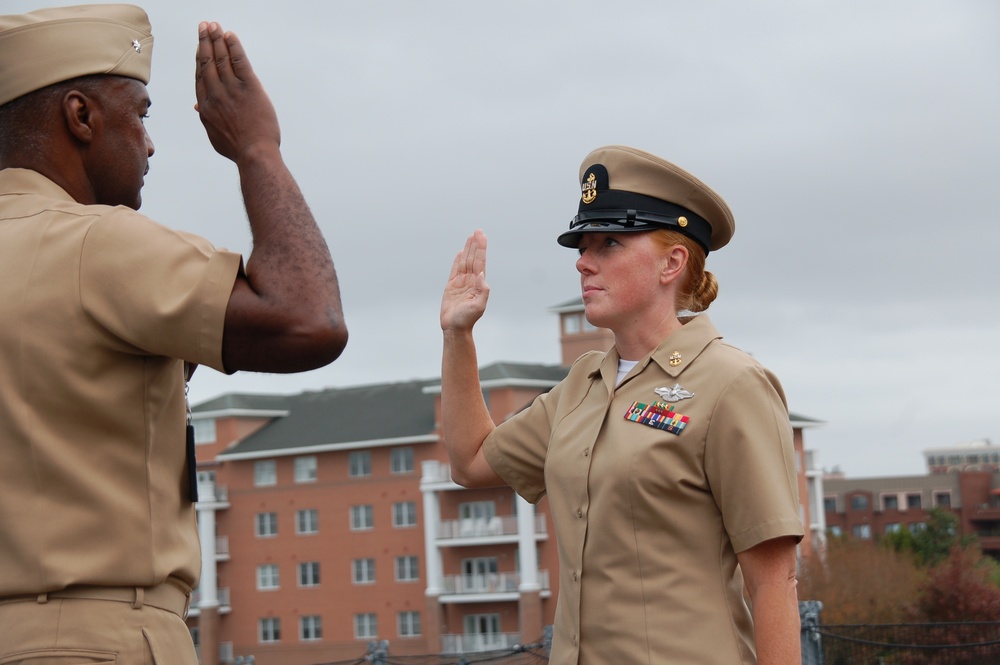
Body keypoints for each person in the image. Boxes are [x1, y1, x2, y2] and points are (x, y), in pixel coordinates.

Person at [0, 5, 347, 663]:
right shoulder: (96, 244)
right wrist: (257, 148)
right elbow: (309, 319)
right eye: (142, 114)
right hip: (97, 639)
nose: (151, 143)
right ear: (81, 117)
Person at [440, 145, 804, 664]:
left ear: (672, 263)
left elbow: (774, 581)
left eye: (609, 243)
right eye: (583, 246)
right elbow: (471, 462)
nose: (584, 262)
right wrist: (458, 335)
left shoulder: (732, 384)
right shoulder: (583, 384)